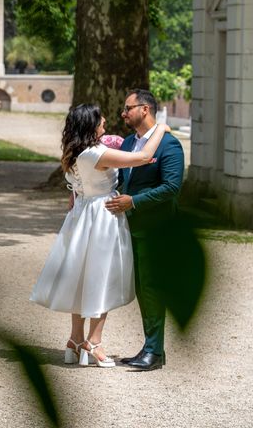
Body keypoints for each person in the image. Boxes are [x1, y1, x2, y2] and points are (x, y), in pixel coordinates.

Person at [30, 103, 170, 368]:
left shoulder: (72, 152)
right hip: (102, 215)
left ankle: (75, 339)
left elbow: (77, 186)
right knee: (102, 277)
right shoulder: (97, 153)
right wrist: (160, 128)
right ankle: (94, 342)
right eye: (100, 118)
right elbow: (143, 157)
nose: (105, 119)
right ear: (90, 125)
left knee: (81, 276)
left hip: (81, 215)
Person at [105, 89, 184, 371]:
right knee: (142, 289)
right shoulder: (128, 143)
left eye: (128, 108)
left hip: (156, 227)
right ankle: (151, 348)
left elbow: (172, 188)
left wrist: (133, 202)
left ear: (145, 110)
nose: (123, 114)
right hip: (130, 230)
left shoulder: (169, 146)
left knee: (152, 289)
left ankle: (154, 352)